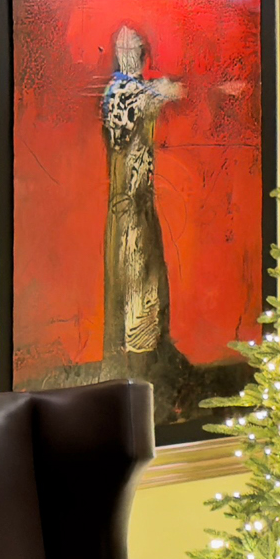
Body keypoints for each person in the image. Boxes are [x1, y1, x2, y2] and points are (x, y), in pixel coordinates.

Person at [100, 21, 184, 376]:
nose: (132, 54)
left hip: (134, 199)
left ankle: (143, 352)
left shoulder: (123, 90)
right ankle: (138, 357)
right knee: (137, 271)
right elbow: (164, 92)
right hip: (131, 200)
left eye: (134, 49)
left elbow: (163, 92)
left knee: (144, 269)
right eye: (129, 50)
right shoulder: (125, 93)